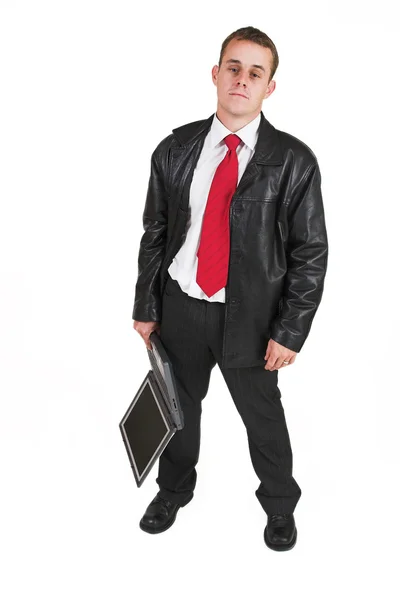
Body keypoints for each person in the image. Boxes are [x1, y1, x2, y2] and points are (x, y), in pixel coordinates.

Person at [132, 26, 328, 551]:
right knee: (177, 410)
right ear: (216, 75)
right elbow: (155, 232)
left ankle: (281, 508)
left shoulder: (294, 162)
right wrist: (146, 304)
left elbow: (310, 254)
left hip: (253, 320)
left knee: (264, 419)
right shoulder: (175, 149)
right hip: (180, 309)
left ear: (270, 87)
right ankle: (172, 490)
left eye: (255, 73)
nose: (242, 80)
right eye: (233, 68)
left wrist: (290, 331)